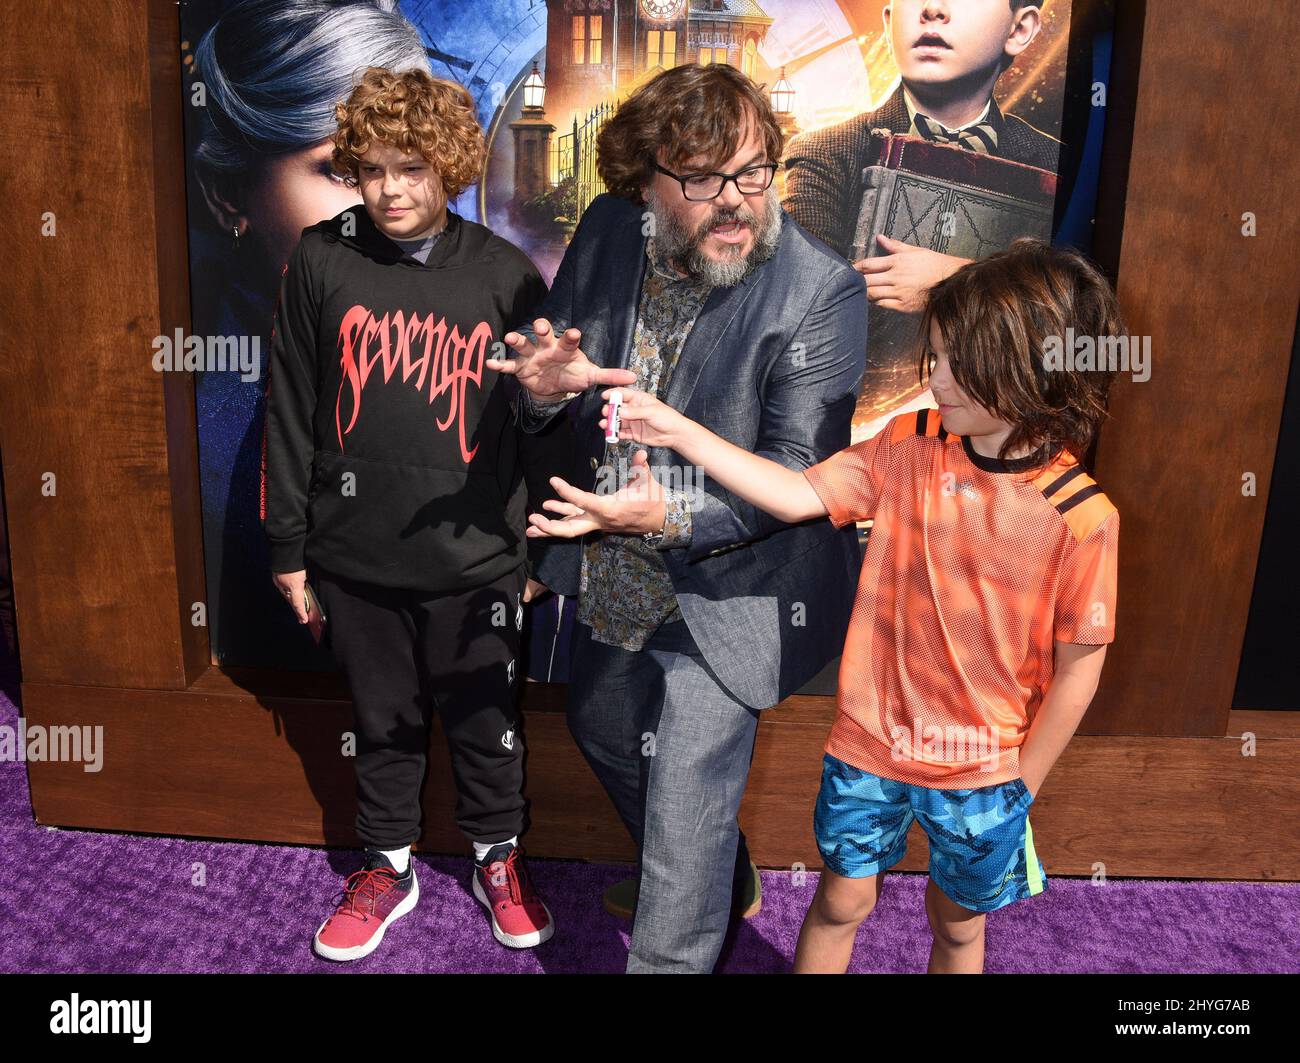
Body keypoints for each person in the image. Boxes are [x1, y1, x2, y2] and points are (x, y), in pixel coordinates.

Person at [537, 237, 1121, 974]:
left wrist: (1021, 784)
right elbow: (796, 492)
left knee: (958, 924)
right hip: (867, 745)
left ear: (1024, 368)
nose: (932, 378)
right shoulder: (908, 443)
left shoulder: (1082, 516)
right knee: (841, 901)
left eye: (953, 363)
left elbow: (1079, 670)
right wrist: (679, 429)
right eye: (932, 356)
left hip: (984, 769)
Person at [486, 62, 867, 973]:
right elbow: (555, 374)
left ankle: (680, 922)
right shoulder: (612, 229)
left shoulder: (821, 291)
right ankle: (722, 872)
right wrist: (540, 395)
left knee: (684, 806)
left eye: (752, 170)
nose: (734, 200)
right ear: (645, 181)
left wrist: (670, 510)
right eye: (700, 179)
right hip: (615, 556)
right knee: (603, 731)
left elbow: (795, 476)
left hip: (736, 578)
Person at [261, 66, 567, 961]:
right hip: (354, 556)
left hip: (477, 562)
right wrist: (289, 547)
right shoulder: (321, 257)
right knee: (382, 719)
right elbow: (288, 407)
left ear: (452, 167)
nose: (392, 190)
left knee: (487, 722)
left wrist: (541, 544)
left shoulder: (509, 276)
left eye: (414, 169)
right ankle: (387, 867)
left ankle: (496, 858)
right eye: (374, 168)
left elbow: (539, 428)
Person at [783, 0, 1060, 313]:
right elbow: (803, 308)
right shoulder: (824, 153)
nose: (931, 9)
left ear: (1019, 28)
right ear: (888, 24)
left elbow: (1072, 310)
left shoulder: (1055, 162)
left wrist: (952, 280)